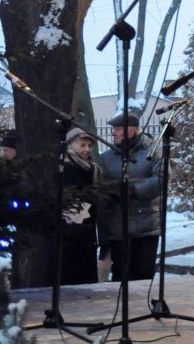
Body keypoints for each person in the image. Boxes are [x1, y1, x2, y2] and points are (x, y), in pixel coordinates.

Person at [98, 112, 162, 282]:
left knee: (143, 276)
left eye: (118, 129)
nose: (113, 133)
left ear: (131, 130)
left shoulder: (153, 151)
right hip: (118, 228)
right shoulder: (106, 158)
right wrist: (114, 190)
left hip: (146, 227)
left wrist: (133, 189)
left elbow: (162, 179)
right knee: (121, 277)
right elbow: (101, 187)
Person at [60, 126, 101, 285]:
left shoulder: (91, 169)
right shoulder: (65, 167)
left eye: (89, 146)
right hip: (70, 230)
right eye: (82, 145)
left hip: (87, 227)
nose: (87, 149)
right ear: (71, 145)